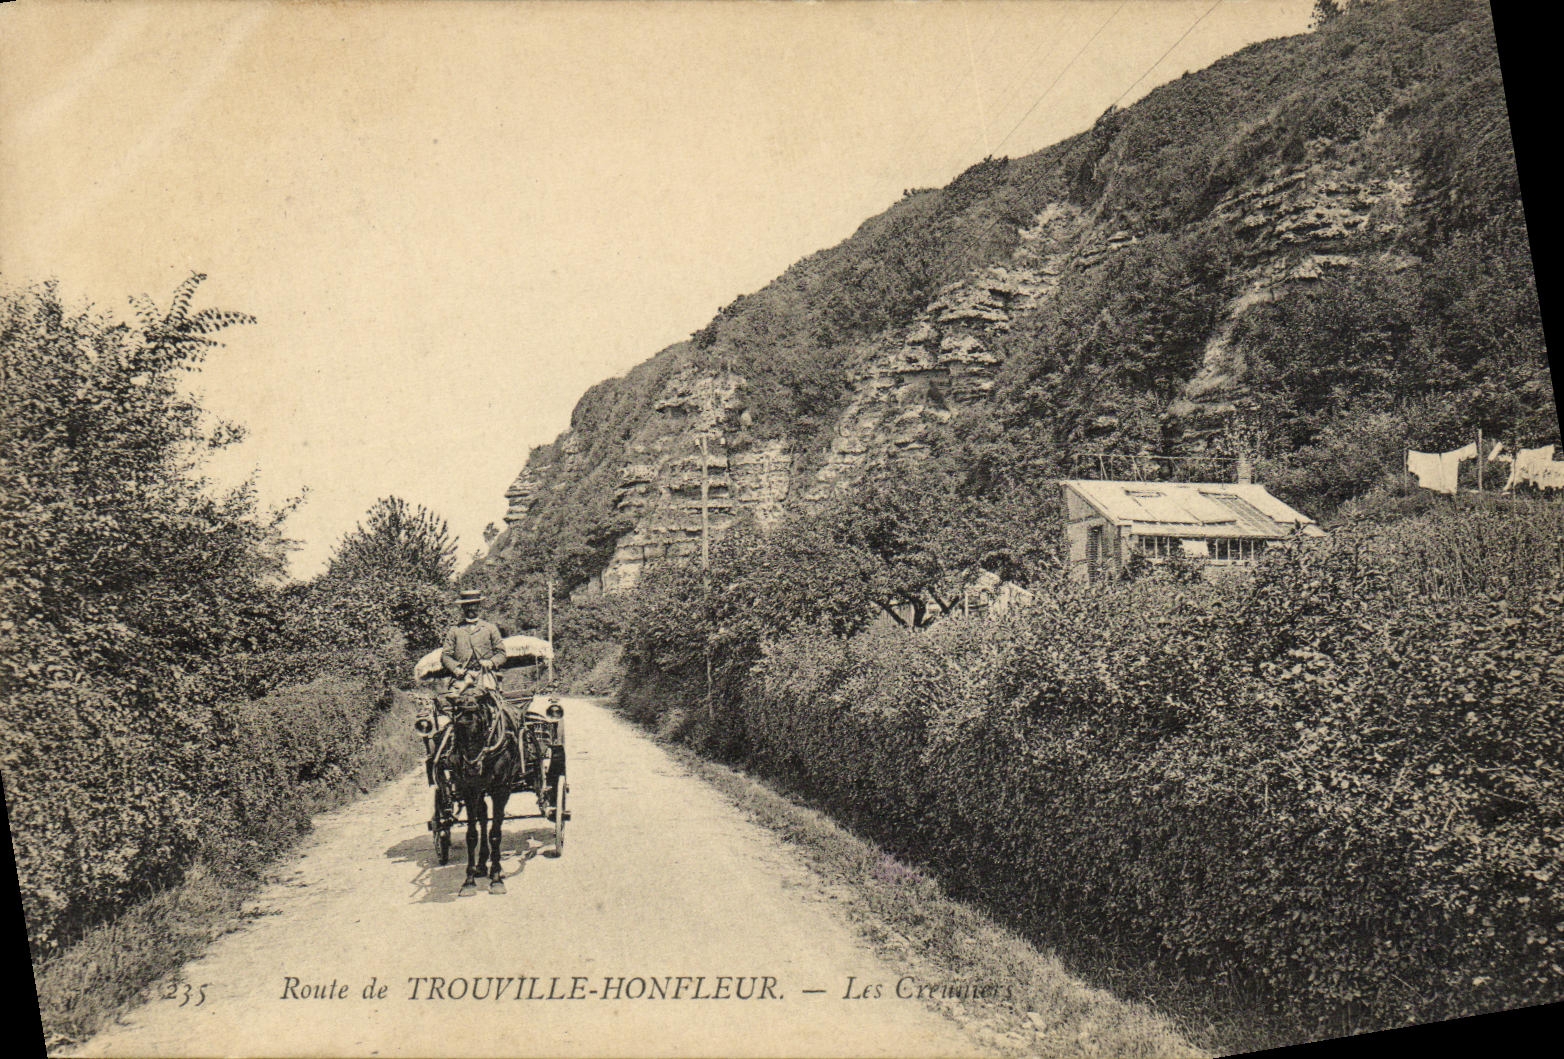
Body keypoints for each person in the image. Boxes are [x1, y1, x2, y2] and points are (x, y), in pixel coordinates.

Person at [441, 589, 507, 681]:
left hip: (487, 676)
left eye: (473, 605)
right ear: (462, 607)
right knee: (454, 694)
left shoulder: (490, 628)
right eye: (467, 605)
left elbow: (501, 653)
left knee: (492, 693)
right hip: (462, 677)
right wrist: (455, 668)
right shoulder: (454, 630)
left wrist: (491, 662)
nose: (470, 608)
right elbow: (445, 656)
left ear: (479, 606)